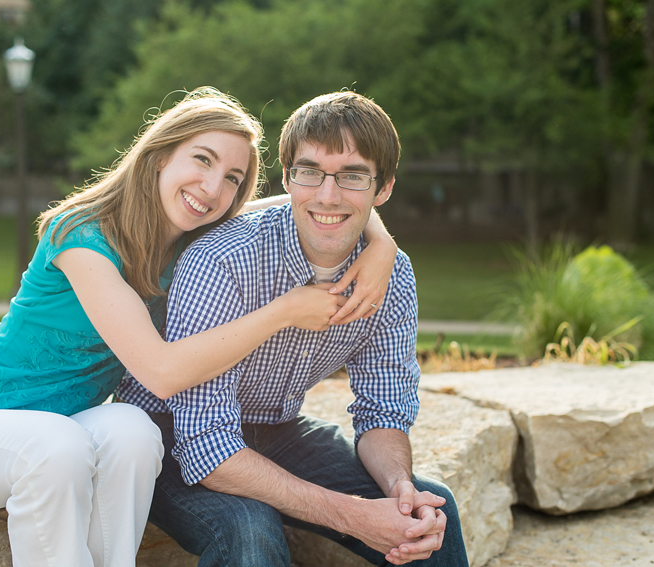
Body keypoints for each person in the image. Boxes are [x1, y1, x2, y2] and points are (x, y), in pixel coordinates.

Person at [0, 87, 398, 567]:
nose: (212, 188)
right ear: (160, 154)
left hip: (61, 430)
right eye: (202, 160)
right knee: (58, 447)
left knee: (133, 429)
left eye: (232, 178)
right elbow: (160, 373)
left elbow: (314, 203)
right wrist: (285, 311)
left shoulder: (190, 237)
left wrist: (381, 244)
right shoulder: (81, 234)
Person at [118, 91, 470, 567]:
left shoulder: (391, 274)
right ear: (287, 178)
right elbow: (207, 445)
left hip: (277, 430)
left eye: (353, 176)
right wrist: (356, 516)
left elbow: (383, 407)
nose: (328, 195)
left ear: (382, 188)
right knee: (250, 532)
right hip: (169, 437)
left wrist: (398, 488)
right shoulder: (223, 260)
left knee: (429, 510)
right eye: (310, 172)